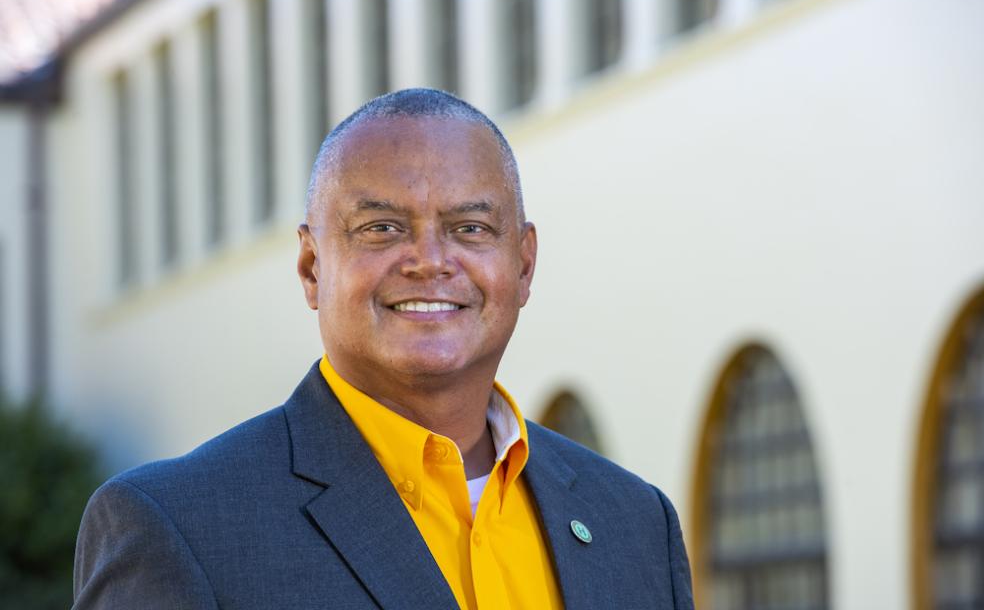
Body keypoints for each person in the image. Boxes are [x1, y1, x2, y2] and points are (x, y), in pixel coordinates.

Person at [73, 88, 694, 609]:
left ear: (524, 265)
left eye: (469, 229)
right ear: (313, 267)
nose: (429, 261)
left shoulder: (636, 524)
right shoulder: (180, 528)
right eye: (382, 229)